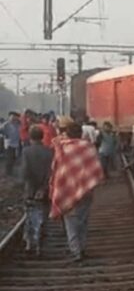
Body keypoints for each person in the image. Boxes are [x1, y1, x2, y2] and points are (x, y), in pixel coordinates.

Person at [49, 121, 104, 262]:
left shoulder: (62, 148)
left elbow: (56, 168)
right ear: (81, 134)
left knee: (71, 221)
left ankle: (76, 251)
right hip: (86, 190)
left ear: (67, 133)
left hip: (67, 189)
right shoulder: (88, 147)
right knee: (83, 220)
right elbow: (95, 167)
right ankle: (82, 248)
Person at [20, 125, 54, 257]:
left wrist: (29, 187)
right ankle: (39, 244)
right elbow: (51, 172)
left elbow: (25, 172)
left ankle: (30, 244)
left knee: (29, 216)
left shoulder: (26, 152)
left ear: (30, 136)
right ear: (42, 136)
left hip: (30, 190)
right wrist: (43, 188)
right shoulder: (49, 152)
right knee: (42, 216)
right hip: (45, 190)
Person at [1, 112, 21, 176]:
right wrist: (5, 135)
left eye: (15, 116)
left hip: (16, 144)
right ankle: (7, 173)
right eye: (12, 116)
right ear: (9, 117)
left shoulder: (18, 124)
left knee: (13, 159)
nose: (13, 118)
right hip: (9, 144)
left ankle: (11, 171)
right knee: (9, 159)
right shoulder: (6, 124)